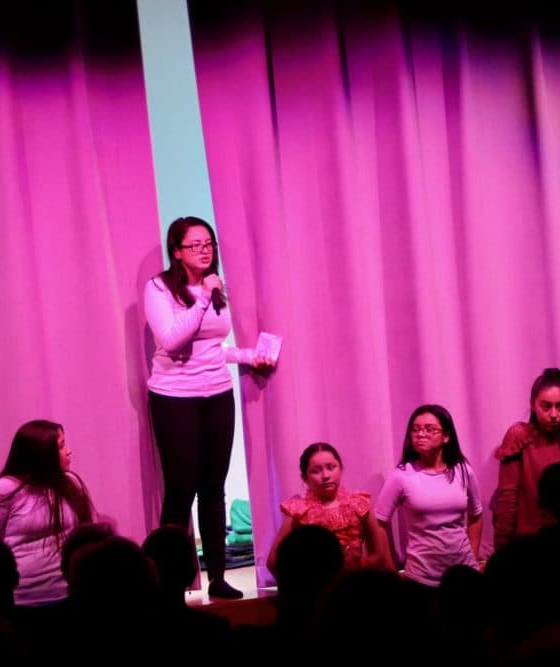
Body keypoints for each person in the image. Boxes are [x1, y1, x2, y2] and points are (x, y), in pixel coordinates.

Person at [144, 216, 275, 599]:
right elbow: (170, 341)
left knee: (213, 489)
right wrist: (201, 298)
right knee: (181, 489)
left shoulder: (214, 288)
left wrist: (248, 355)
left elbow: (209, 349)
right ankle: (169, 583)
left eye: (209, 243)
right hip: (173, 397)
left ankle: (218, 576)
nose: (205, 250)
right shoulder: (159, 288)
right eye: (196, 244)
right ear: (176, 251)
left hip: (216, 393)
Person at [0, 420, 95, 606]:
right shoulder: (4, 489)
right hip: (22, 602)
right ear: (42, 454)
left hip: (70, 594)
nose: (68, 451)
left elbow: (91, 533)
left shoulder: (71, 482)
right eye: (61, 446)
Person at [374, 404, 484, 589]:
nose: (420, 434)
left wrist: (472, 555)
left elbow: (476, 515)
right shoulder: (402, 475)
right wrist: (390, 570)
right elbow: (379, 522)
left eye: (429, 429)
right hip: (420, 577)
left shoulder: (463, 470)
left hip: (462, 573)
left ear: (446, 436)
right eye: (415, 430)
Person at [493, 368, 560, 549]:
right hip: (529, 543)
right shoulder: (519, 436)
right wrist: (501, 546)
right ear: (533, 404)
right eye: (546, 406)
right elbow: (507, 497)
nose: (553, 415)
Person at [268, 443, 394, 572]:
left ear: (341, 468)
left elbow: (378, 555)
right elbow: (273, 562)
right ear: (304, 478)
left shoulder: (359, 504)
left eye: (331, 467)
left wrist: (359, 566)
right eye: (316, 471)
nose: (326, 476)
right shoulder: (299, 512)